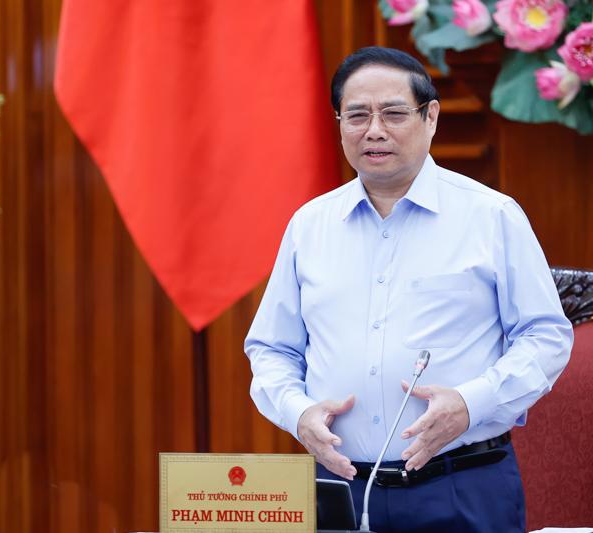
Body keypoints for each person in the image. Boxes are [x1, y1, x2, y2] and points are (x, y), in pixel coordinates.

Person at [244, 46, 573, 533]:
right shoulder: (309, 226)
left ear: (431, 117)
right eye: (357, 115)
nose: (374, 130)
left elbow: (546, 337)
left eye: (394, 113)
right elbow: (271, 348)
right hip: (339, 488)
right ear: (339, 123)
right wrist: (298, 414)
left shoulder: (491, 215)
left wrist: (471, 403)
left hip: (461, 483)